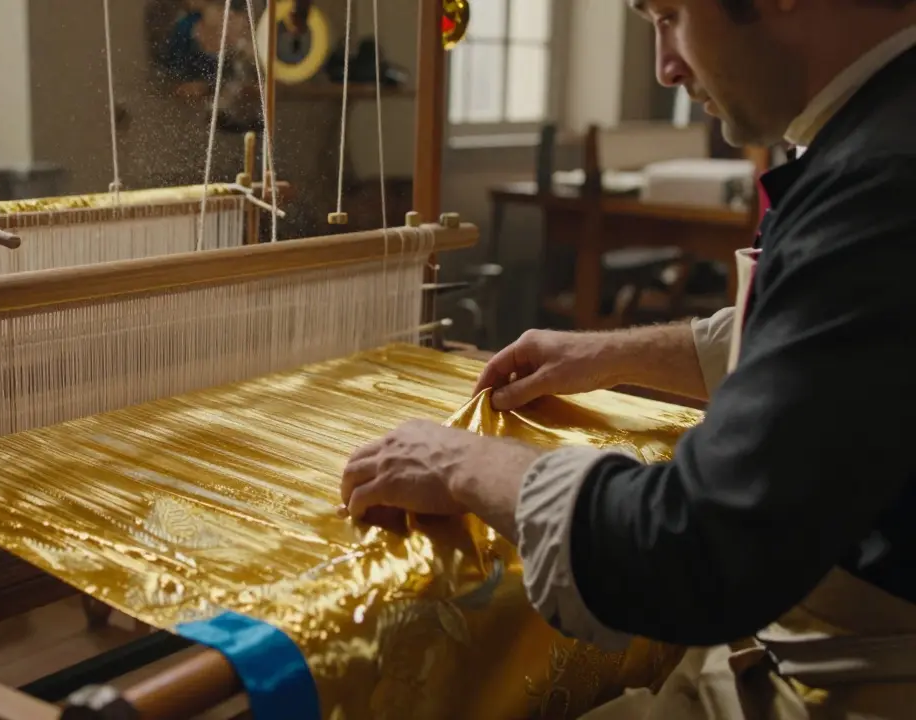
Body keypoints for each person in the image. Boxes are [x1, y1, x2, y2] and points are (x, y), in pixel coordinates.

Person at [342, 0, 916, 716]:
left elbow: (701, 551)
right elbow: (823, 337)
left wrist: (462, 464)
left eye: (668, 15)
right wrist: (612, 353)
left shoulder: (882, 183)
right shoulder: (882, 129)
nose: (665, 65)